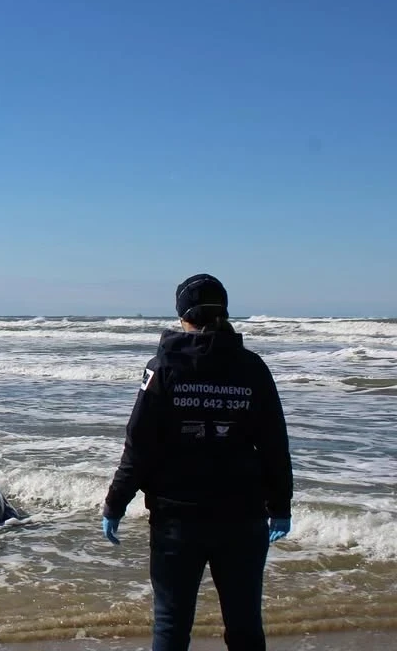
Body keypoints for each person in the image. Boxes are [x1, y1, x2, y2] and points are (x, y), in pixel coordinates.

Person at [101, 274, 293, 651]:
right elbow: (274, 444)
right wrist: (280, 505)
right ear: (224, 311)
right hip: (242, 518)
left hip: (177, 520)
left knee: (171, 625)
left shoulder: (163, 367)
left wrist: (115, 503)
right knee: (244, 626)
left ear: (182, 315)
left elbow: (139, 445)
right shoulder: (252, 367)